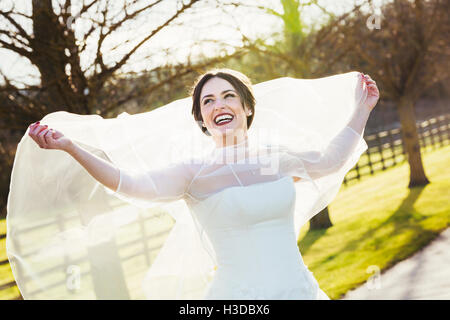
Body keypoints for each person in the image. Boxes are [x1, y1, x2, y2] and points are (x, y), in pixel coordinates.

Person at [9, 68, 379, 299]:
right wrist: (71, 147)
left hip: (300, 292)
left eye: (228, 95)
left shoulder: (277, 159)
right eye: (208, 101)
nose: (219, 104)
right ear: (202, 118)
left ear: (247, 108)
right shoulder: (193, 173)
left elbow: (332, 159)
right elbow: (128, 183)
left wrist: (362, 108)